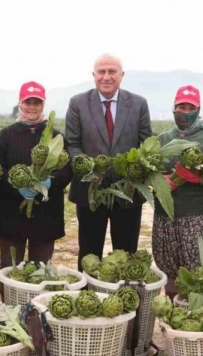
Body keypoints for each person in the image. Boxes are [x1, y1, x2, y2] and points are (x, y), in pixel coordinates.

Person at [65, 54, 152, 271]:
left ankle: (124, 300)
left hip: (128, 193)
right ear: (93, 75)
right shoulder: (78, 103)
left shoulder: (138, 104)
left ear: (121, 75)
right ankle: (89, 300)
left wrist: (134, 173)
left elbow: (147, 145)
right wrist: (90, 171)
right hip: (90, 193)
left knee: (126, 255)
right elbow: (73, 145)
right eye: (101, 72)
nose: (106, 77)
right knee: (89, 254)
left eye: (112, 71)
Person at [0, 81, 73, 299]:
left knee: (41, 271)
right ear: (20, 103)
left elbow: (67, 170)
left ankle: (37, 315)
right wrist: (18, 186)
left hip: (45, 214)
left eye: (37, 102)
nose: (32, 107)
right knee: (10, 268)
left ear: (43, 104)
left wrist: (48, 184)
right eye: (28, 102)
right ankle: (9, 309)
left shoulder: (55, 136)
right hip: (11, 212)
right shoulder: (6, 135)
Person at [153, 85, 203, 300]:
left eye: (190, 107)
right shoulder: (164, 139)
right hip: (165, 213)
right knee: (169, 267)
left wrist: (199, 177)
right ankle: (172, 309)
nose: (185, 112)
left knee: (196, 270)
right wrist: (161, 180)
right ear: (174, 108)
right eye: (181, 106)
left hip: (197, 215)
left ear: (198, 109)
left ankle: (191, 313)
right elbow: (149, 170)